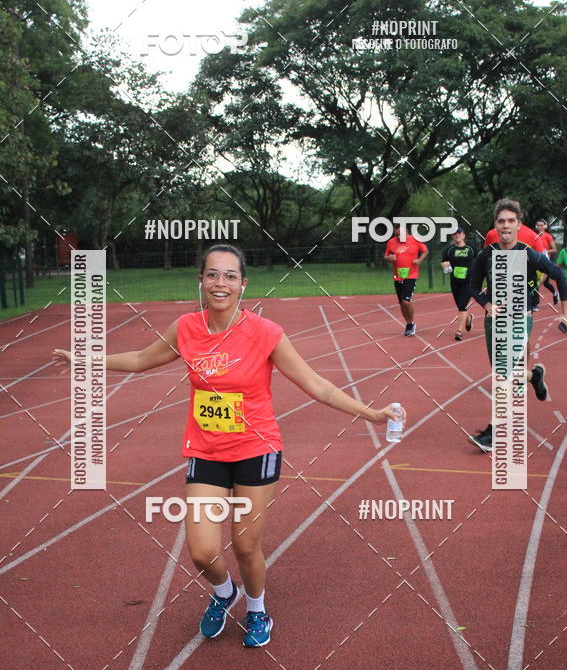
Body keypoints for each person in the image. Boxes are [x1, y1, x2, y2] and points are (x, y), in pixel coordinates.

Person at [53, 245, 404, 648]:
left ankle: (257, 609)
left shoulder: (265, 333)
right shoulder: (186, 328)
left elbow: (317, 385)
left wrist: (371, 414)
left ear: (243, 285)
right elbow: (138, 359)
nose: (221, 283)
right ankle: (224, 593)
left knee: (244, 544)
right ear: (201, 281)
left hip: (257, 450)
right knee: (202, 551)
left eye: (230, 276)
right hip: (206, 451)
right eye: (213, 275)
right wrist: (84, 358)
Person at [468, 199, 567, 452]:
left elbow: (558, 274)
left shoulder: (527, 253)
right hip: (494, 321)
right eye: (501, 221)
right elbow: (473, 286)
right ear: (495, 225)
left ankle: (493, 433)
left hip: (519, 319)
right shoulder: (486, 254)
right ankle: (534, 375)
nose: (506, 225)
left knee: (503, 375)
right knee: (504, 374)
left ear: (518, 225)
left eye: (511, 221)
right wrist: (486, 304)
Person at [384, 222, 428, 336]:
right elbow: (385, 256)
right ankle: (409, 323)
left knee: (406, 301)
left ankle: (411, 322)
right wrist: (390, 258)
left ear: (407, 232)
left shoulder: (414, 240)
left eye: (400, 234)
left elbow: (425, 251)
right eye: (396, 235)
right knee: (401, 303)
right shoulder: (391, 242)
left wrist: (419, 260)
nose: (398, 237)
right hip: (398, 276)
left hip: (411, 275)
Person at [440, 227, 475, 340]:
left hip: (469, 281)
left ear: (464, 235)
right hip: (455, 281)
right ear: (452, 236)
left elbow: (480, 260)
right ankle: (468, 318)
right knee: (460, 305)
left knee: (462, 306)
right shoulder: (449, 250)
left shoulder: (471, 248)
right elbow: (444, 263)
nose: (457, 235)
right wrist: (445, 266)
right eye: (454, 234)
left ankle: (459, 332)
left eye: (459, 233)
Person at [532, 219, 559, 306]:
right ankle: (535, 303)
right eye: (538, 225)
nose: (540, 227)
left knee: (545, 283)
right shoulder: (534, 236)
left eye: (541, 225)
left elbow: (554, 249)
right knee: (535, 281)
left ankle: (555, 293)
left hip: (545, 260)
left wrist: (545, 251)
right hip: (535, 260)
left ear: (545, 227)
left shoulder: (548, 236)